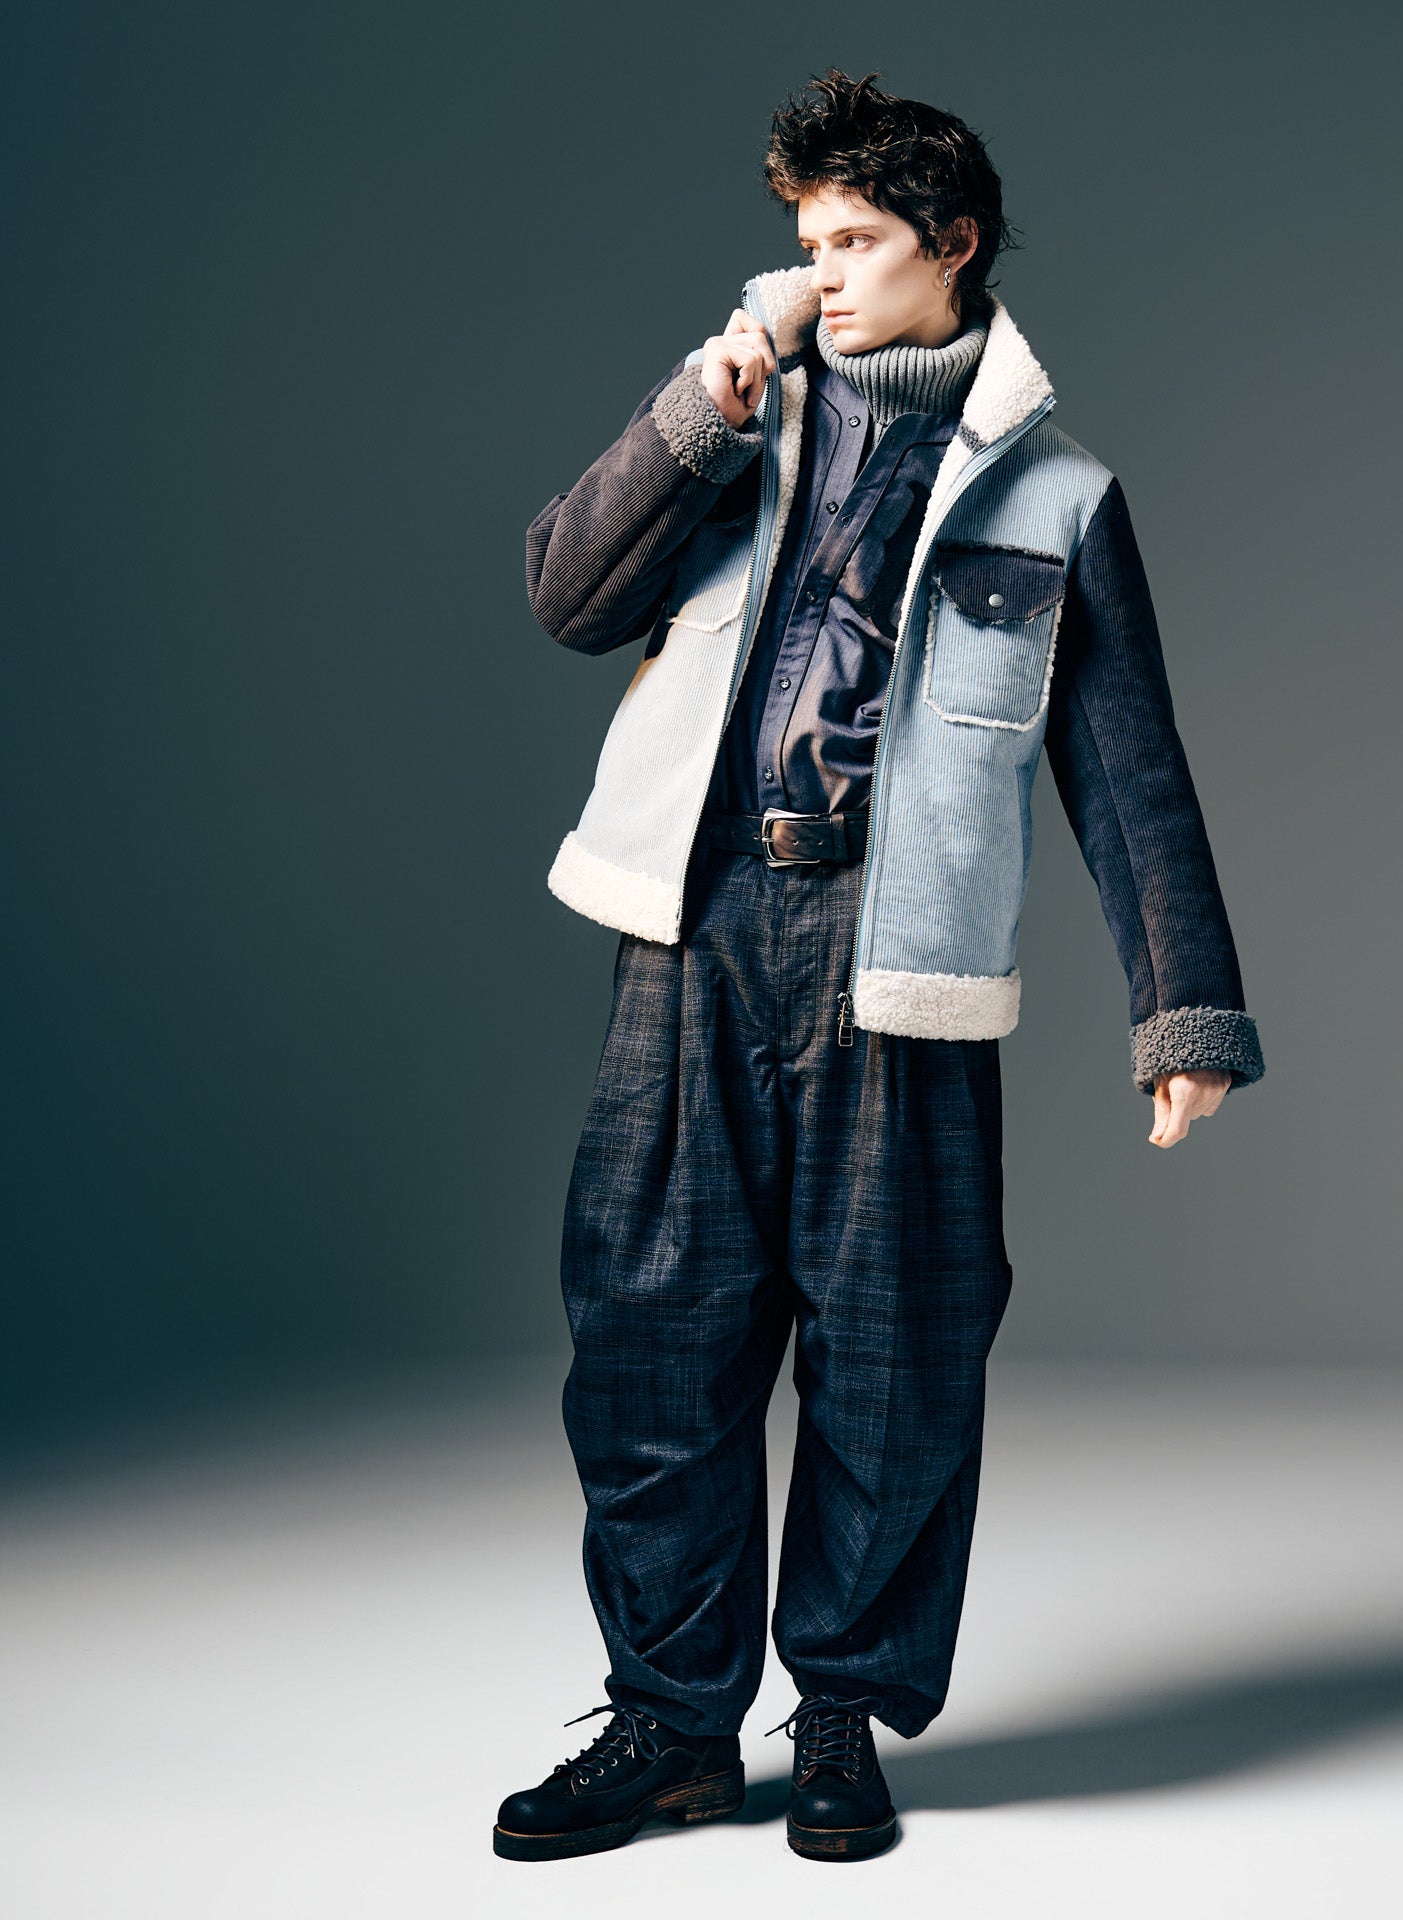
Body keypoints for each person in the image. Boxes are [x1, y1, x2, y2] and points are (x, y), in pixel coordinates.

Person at [494, 67, 1265, 1865]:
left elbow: (1128, 768)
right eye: (806, 242)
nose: (818, 274)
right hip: (692, 932)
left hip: (897, 957)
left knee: (899, 1351)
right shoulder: (737, 419)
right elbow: (568, 594)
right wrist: (696, 406)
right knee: (649, 1336)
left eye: (855, 241)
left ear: (954, 244)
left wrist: (1183, 1008)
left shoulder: (1056, 493)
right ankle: (671, 1727)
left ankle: (840, 1717)